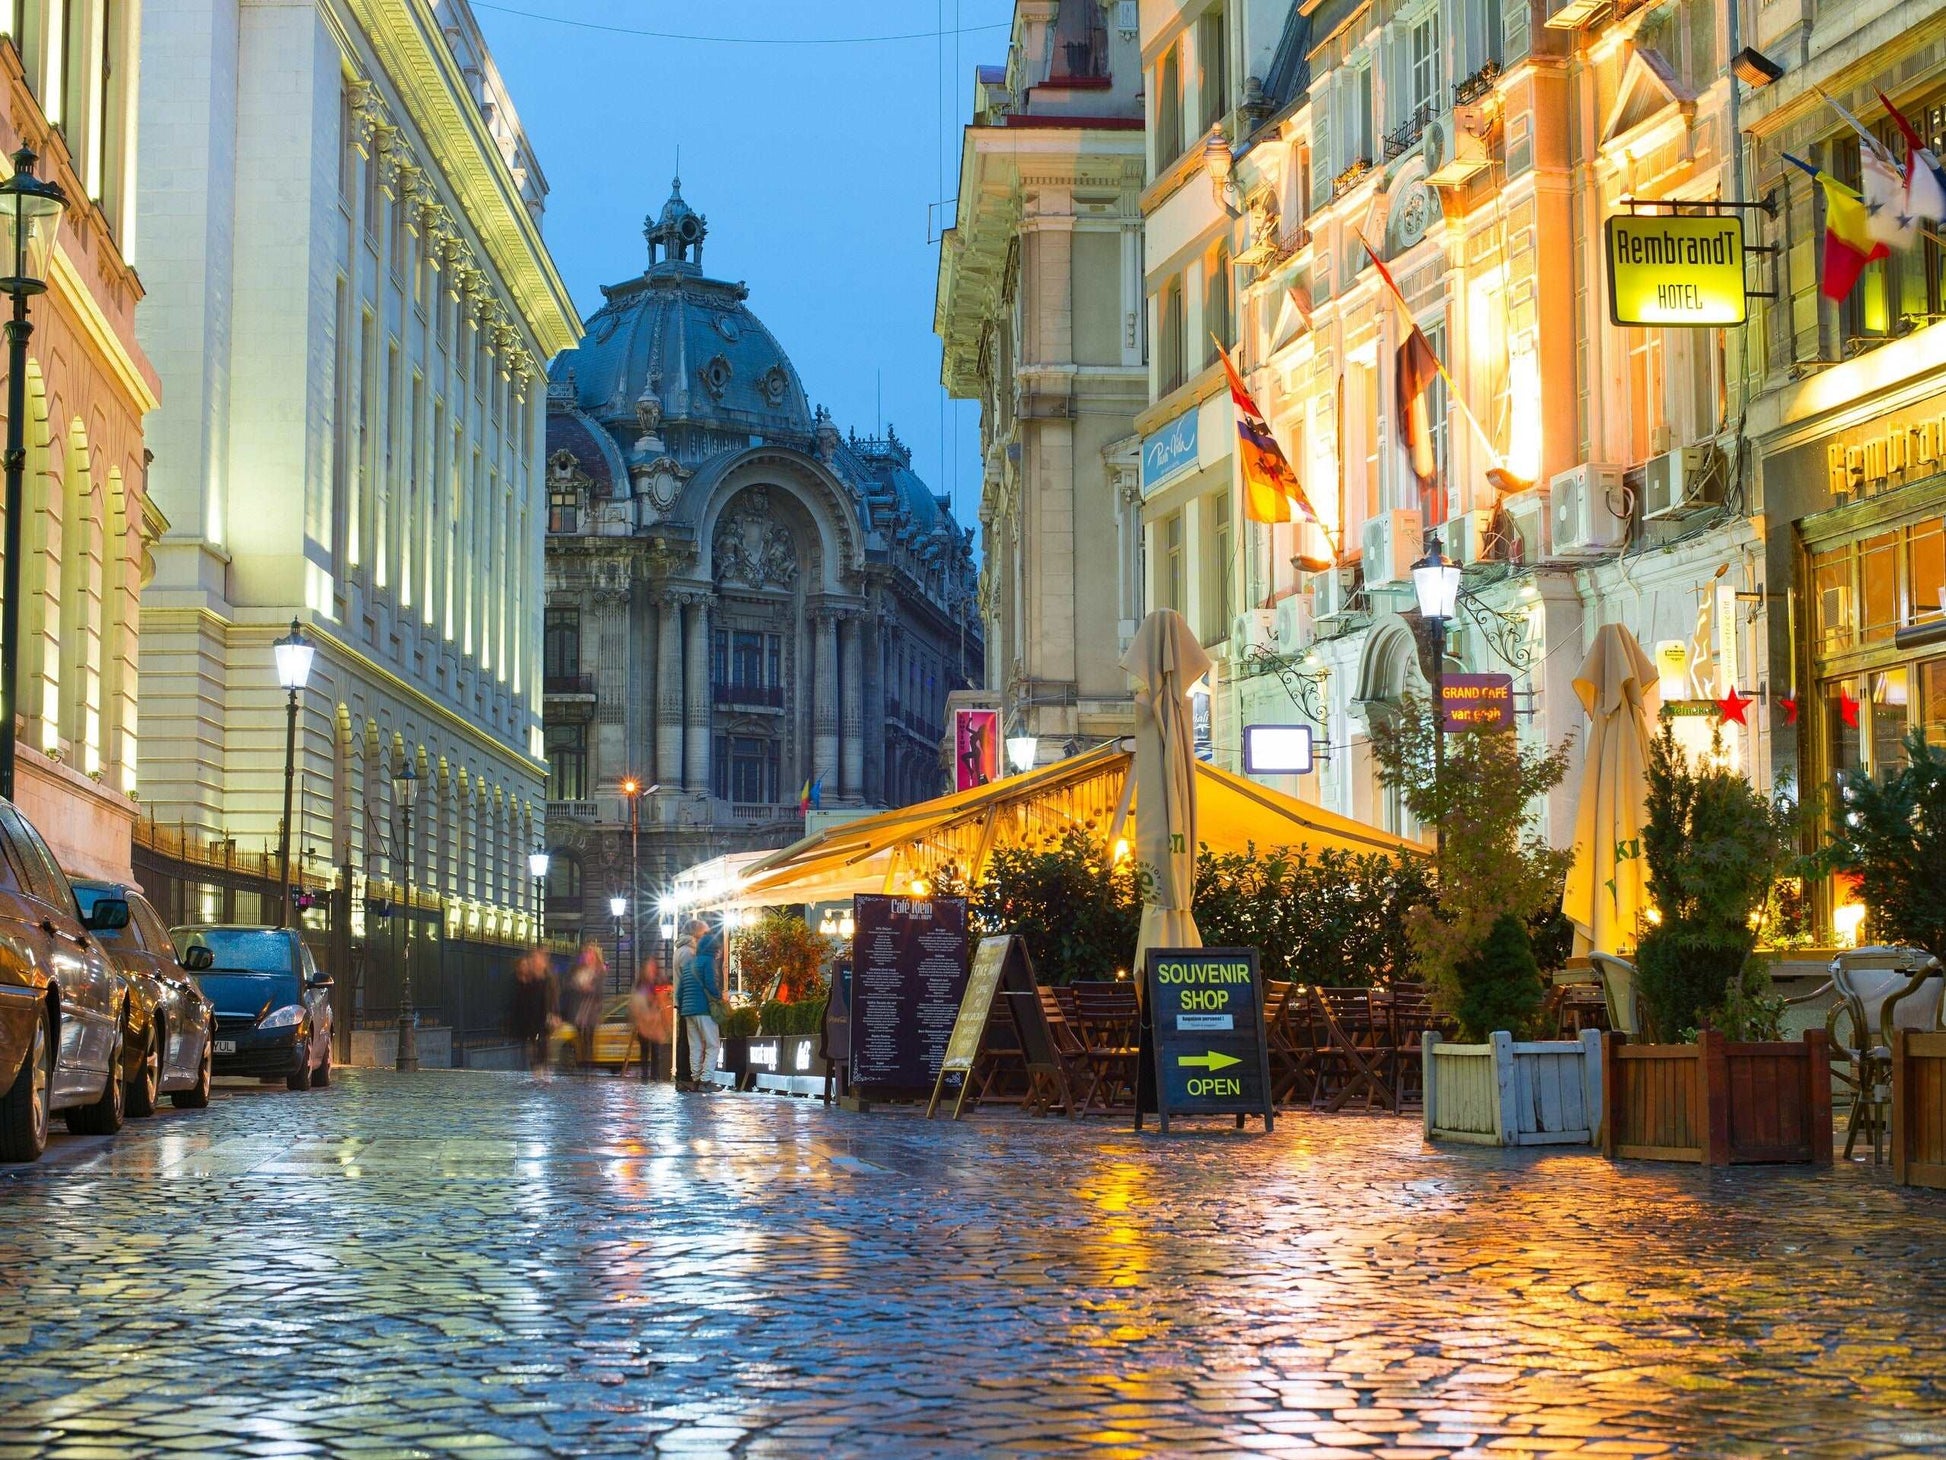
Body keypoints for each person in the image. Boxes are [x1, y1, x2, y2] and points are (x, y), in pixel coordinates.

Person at [675, 918, 721, 1091]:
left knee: (694, 1046)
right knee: (712, 1045)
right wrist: (718, 998)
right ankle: (706, 1080)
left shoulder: (690, 963)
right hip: (703, 1009)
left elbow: (680, 989)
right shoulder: (707, 961)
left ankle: (695, 1079)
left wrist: (683, 1005)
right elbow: (710, 984)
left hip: (687, 1011)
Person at [626, 955, 674, 1082]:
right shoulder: (642, 983)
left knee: (656, 1051)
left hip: (656, 1023)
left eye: (653, 967)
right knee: (644, 1051)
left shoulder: (659, 981)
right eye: (649, 967)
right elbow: (637, 1000)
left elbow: (664, 997)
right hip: (643, 1022)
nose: (651, 969)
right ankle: (645, 1076)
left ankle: (655, 1076)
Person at [510, 947, 556, 1076]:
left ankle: (543, 1070)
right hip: (531, 1019)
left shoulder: (548, 978)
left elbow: (552, 997)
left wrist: (554, 1013)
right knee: (534, 1047)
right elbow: (523, 1000)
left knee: (542, 1045)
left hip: (543, 1018)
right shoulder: (529, 979)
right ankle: (538, 1071)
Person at [568, 941, 606, 1071]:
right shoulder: (578, 971)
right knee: (580, 1038)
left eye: (590, 954)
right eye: (586, 954)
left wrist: (589, 988)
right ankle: (583, 1064)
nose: (587, 956)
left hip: (591, 1010)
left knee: (589, 1038)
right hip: (579, 1010)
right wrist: (579, 987)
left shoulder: (599, 971)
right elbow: (570, 986)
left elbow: (599, 992)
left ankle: (588, 1067)